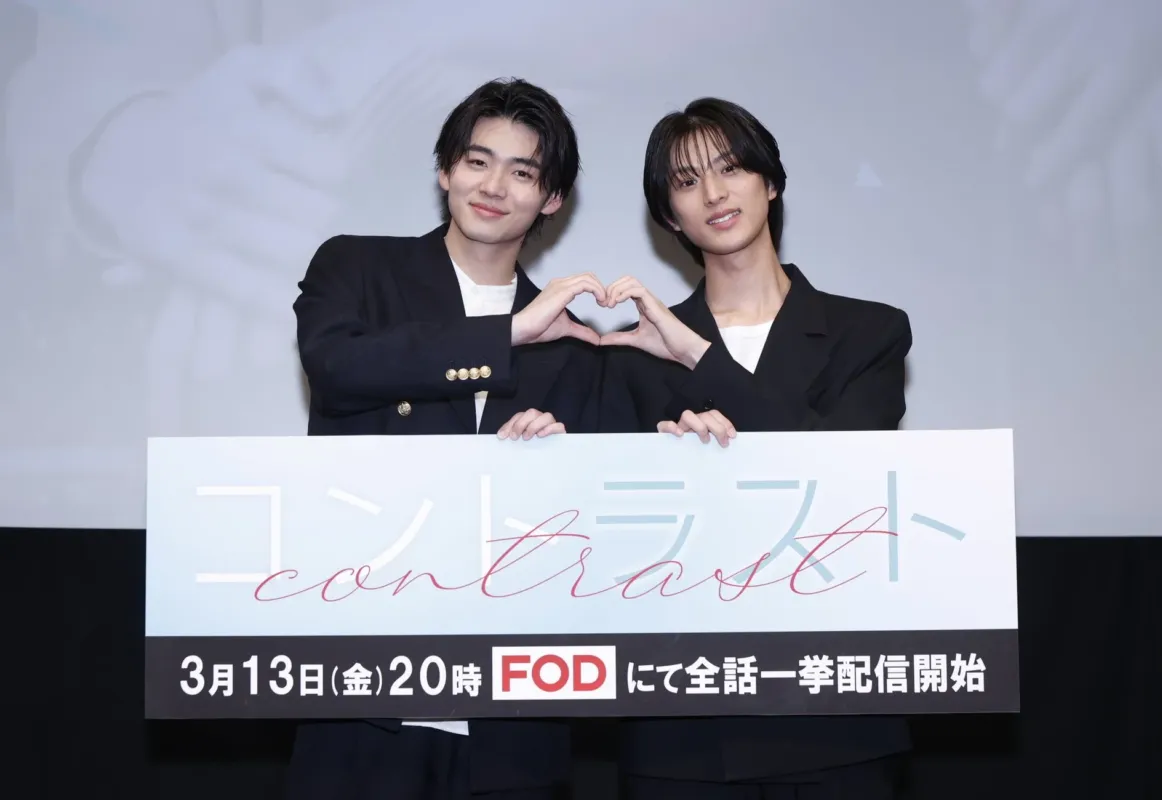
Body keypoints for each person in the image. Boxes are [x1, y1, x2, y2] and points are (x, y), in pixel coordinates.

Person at [287, 77, 605, 800]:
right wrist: (507, 334)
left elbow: (592, 521)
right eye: (476, 161)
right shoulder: (358, 268)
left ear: (552, 198)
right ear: (444, 170)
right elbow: (335, 368)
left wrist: (553, 466)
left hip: (513, 708)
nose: (493, 186)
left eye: (522, 172)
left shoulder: (574, 344)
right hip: (367, 684)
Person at [598, 98, 913, 798]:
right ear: (668, 216)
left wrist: (696, 356)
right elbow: (608, 532)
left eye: (732, 168)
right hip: (683, 720)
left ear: (770, 182)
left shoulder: (869, 333)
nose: (714, 193)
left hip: (834, 714)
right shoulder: (629, 356)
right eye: (686, 182)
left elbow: (834, 482)